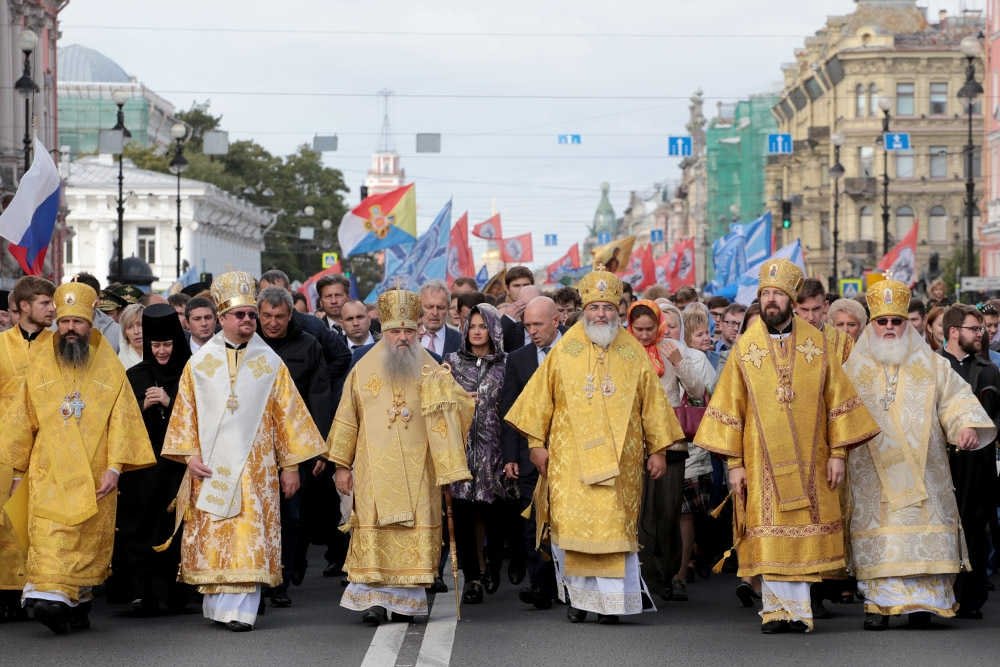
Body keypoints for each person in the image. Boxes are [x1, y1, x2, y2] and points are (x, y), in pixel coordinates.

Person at [694, 259, 879, 634]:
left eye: (777, 294)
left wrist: (838, 454)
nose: (771, 300)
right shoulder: (746, 348)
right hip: (759, 463)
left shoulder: (817, 344)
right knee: (769, 534)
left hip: (812, 460)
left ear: (792, 301)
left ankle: (799, 611)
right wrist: (734, 465)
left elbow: (836, 400)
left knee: (803, 536)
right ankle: (776, 611)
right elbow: (730, 409)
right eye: (765, 293)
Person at [505, 268, 684, 624]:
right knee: (575, 531)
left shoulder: (633, 352)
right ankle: (580, 599)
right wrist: (536, 444)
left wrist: (659, 450)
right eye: (594, 307)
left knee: (615, 531)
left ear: (618, 310)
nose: (601, 314)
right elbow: (539, 400)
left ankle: (612, 604)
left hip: (621, 464)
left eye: (607, 307)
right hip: (571, 462)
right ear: (584, 309)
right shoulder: (565, 350)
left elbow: (652, 404)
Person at [160, 271, 326, 632]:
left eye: (252, 315)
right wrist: (189, 457)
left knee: (248, 536)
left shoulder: (270, 363)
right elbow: (185, 412)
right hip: (212, 467)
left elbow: (288, 416)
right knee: (218, 534)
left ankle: (242, 611)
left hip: (256, 470)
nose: (248, 320)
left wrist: (291, 467)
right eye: (241, 315)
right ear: (222, 318)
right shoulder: (199, 364)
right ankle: (219, 606)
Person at [1, 282, 155, 634]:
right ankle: (49, 597)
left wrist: (115, 468)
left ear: (90, 323)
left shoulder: (109, 366)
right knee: (50, 541)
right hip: (49, 473)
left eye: (78, 322)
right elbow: (23, 418)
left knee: (84, 542)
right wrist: (17, 472)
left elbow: (123, 421)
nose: (70, 329)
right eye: (65, 322)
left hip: (95, 473)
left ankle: (78, 600)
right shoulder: (41, 361)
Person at [843, 281, 995, 630]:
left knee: (921, 530)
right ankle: (879, 605)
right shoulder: (852, 369)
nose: (890, 328)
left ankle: (923, 603)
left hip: (925, 470)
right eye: (882, 322)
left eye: (897, 321)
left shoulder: (932, 365)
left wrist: (964, 426)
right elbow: (837, 412)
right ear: (872, 325)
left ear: (907, 324)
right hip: (873, 472)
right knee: (883, 538)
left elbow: (956, 400)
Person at [327, 288, 473, 625]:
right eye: (395, 331)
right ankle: (374, 602)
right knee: (375, 534)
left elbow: (457, 409)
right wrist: (341, 466)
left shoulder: (432, 368)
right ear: (384, 330)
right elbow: (347, 419)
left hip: (419, 470)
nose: (403, 338)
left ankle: (406, 603)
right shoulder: (363, 369)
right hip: (372, 469)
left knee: (411, 534)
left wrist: (460, 401)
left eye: (409, 330)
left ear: (418, 329)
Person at [627, 300, 709, 604]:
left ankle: (670, 575)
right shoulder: (624, 350)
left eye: (650, 329)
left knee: (669, 512)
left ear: (659, 325)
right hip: (635, 442)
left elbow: (697, 390)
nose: (644, 335)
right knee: (641, 514)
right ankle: (644, 578)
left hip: (671, 442)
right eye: (638, 329)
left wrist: (679, 362)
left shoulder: (672, 348)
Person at [257, 286, 333, 607]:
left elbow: (320, 395)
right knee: (260, 515)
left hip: (295, 442)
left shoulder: (309, 344)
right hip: (256, 443)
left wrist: (319, 446)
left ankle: (283, 579)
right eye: (267, 316)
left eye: (279, 316)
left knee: (293, 515)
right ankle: (262, 576)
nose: (273, 323)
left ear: (290, 315)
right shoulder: (250, 345)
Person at [117, 304, 192, 616]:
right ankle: (141, 593)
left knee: (174, 527)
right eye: (156, 345)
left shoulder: (191, 373)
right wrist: (142, 406)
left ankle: (176, 593)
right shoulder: (135, 375)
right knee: (141, 526)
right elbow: (121, 420)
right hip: (144, 469)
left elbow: (201, 417)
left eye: (167, 344)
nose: (162, 351)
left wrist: (170, 401)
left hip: (178, 466)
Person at [445, 303, 513, 604]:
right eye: (471, 326)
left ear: (493, 329)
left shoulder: (506, 363)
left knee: (494, 515)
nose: (476, 331)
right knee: (462, 516)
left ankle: (493, 565)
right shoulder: (451, 363)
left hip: (494, 451)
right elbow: (436, 403)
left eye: (482, 326)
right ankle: (472, 577)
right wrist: (457, 401)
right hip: (461, 452)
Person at [938, 304, 1000, 620]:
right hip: (944, 461)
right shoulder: (934, 366)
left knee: (975, 525)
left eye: (981, 329)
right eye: (974, 329)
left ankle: (972, 596)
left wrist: (985, 431)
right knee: (944, 526)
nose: (981, 334)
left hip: (979, 463)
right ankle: (944, 593)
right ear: (954, 332)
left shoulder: (988, 370)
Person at [0, 277, 56, 621]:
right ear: (23, 306)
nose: (52, 309)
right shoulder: (1, 345)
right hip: (5, 448)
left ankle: (42, 588)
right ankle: (7, 592)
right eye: (44, 303)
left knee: (43, 518)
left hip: (49, 446)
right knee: (6, 520)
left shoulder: (58, 346)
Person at [501, 296, 562, 610]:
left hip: (570, 453)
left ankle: (570, 585)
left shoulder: (577, 352)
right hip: (529, 458)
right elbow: (511, 410)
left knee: (567, 521)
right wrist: (511, 456)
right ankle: (540, 585)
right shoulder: (518, 359)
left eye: (538, 324)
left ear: (556, 320)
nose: (533, 331)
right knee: (533, 522)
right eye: (527, 326)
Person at [795, 278, 852, 363]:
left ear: (825, 306)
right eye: (805, 310)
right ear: (795, 307)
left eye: (816, 309)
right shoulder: (784, 340)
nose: (811, 317)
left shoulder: (844, 343)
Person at [71, 273, 121, 353]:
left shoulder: (115, 332)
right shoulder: (55, 328)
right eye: (74, 298)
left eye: (84, 298)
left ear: (97, 301)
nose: (79, 303)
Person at [420, 280, 462, 356]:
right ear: (419, 307)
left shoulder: (461, 341)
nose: (435, 313)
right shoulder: (409, 338)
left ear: (448, 309)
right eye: (429, 307)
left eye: (440, 307)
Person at [118, 303, 145, 369]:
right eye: (130, 327)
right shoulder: (119, 359)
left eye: (140, 325)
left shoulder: (161, 352)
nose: (136, 331)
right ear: (124, 332)